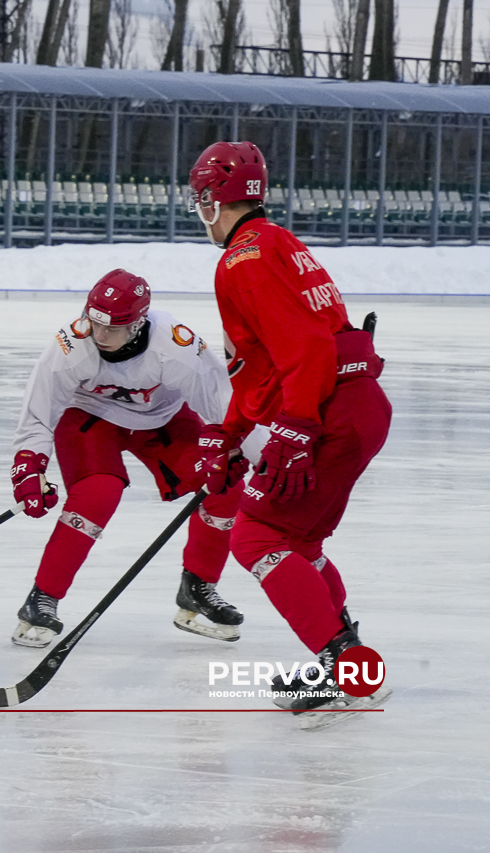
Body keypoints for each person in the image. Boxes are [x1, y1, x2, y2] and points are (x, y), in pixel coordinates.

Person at [188, 140, 392, 720]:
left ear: (210, 199)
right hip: (355, 407)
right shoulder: (275, 241)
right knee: (298, 542)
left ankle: (346, 664)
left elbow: (303, 350)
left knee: (255, 538)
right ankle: (343, 650)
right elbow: (265, 364)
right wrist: (227, 435)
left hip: (328, 412)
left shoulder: (242, 261)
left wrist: (296, 429)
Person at [9, 269, 245, 648]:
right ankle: (42, 599)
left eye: (113, 328)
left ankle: (198, 587)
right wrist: (29, 465)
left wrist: (235, 450)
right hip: (90, 418)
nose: (100, 335)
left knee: (228, 489)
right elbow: (38, 414)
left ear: (138, 323)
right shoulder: (71, 344)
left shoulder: (176, 346)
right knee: (97, 494)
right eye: (94, 322)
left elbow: (224, 407)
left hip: (162, 420)